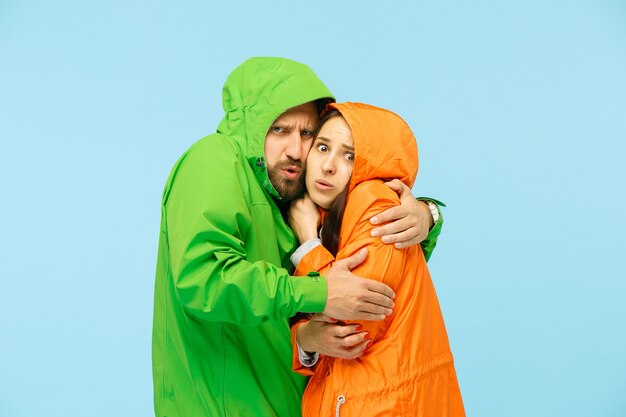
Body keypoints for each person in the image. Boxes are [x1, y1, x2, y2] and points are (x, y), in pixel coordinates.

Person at [152, 58, 444, 417]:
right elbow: (204, 280)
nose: (295, 149)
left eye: (308, 134)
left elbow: (369, 265)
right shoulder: (214, 159)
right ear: (252, 127)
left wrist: (427, 214)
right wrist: (321, 292)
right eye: (279, 130)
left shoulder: (291, 194)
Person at [289, 102, 464, 416]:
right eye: (323, 147)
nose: (328, 166)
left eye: (349, 155)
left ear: (369, 165)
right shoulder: (329, 213)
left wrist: (307, 243)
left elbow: (351, 322)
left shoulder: (374, 203)